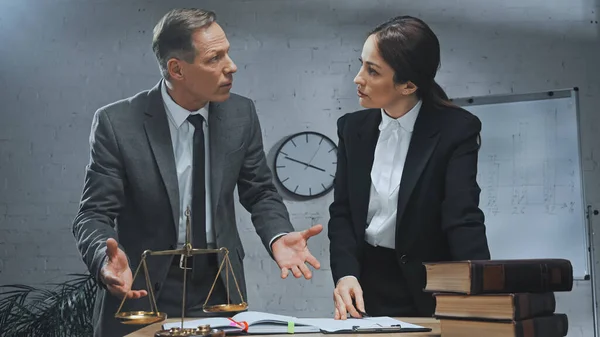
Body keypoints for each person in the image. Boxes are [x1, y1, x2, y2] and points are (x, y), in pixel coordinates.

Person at [72, 8, 322, 337]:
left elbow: (259, 191)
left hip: (219, 286)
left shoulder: (241, 114)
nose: (231, 66)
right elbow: (93, 213)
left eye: (227, 53)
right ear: (177, 69)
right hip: (142, 287)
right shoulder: (117, 123)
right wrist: (105, 260)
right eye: (214, 58)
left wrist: (278, 234)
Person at [327, 15, 491, 320]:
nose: (358, 78)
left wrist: (483, 299)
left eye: (372, 70)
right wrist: (345, 274)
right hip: (365, 287)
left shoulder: (456, 130)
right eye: (361, 64)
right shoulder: (352, 129)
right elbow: (344, 214)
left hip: (431, 289)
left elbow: (462, 218)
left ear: (409, 84)